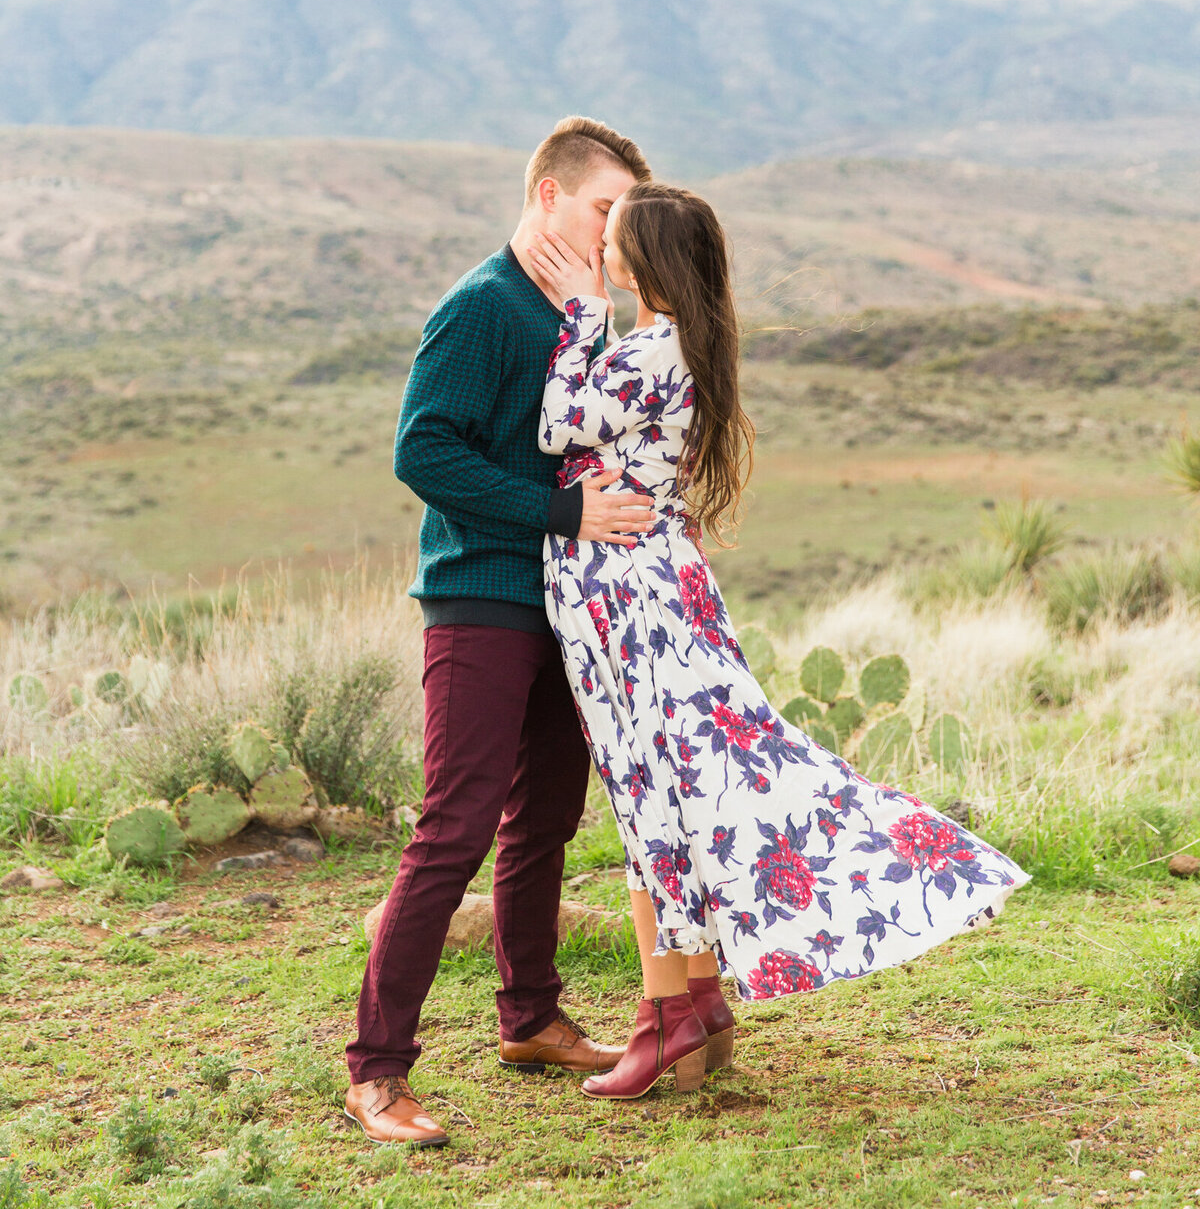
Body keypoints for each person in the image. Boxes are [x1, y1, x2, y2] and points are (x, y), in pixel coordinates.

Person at [528, 182, 1030, 1101]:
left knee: (652, 796)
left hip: (628, 599)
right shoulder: (689, 345)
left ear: (643, 264)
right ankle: (693, 1001)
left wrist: (579, 317)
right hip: (651, 587)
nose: (603, 244)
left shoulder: (645, 349)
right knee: (671, 790)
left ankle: (669, 1013)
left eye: (617, 236)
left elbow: (557, 426)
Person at [344, 117, 655, 1147]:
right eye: (607, 208)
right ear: (549, 198)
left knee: (548, 820)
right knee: (455, 827)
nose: (618, 229)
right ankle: (377, 1072)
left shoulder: (581, 314)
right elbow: (422, 452)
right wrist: (563, 515)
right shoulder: (483, 306)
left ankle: (529, 1020)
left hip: (566, 605)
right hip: (479, 597)